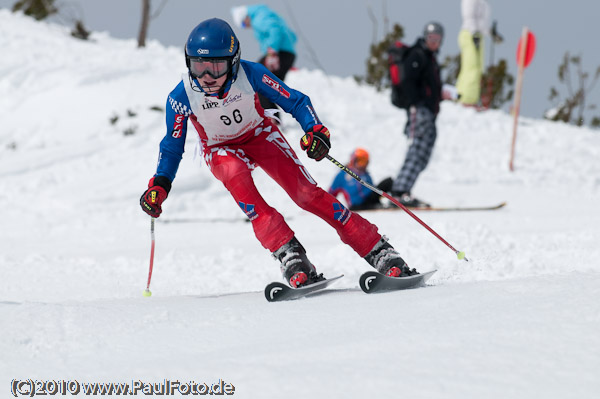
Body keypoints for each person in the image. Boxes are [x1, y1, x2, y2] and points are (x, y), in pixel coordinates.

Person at [139, 18, 418, 289]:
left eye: (215, 67)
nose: (206, 77)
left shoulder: (250, 74)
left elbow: (296, 101)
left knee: (306, 194)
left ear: (233, 62)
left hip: (259, 135)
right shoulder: (181, 97)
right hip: (219, 149)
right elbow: (172, 147)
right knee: (238, 179)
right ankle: (289, 253)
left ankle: (376, 247)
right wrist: (160, 185)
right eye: (198, 67)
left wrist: (315, 129)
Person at [390, 22, 452, 208]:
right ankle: (399, 191)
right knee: (417, 149)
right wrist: (418, 101)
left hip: (428, 111)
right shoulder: (418, 55)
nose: (434, 42)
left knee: (424, 151)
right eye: (431, 38)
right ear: (425, 37)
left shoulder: (429, 58)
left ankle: (403, 189)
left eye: (438, 40)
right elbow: (408, 82)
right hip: (420, 110)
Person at [231, 4, 297, 124]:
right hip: (287, 53)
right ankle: (273, 119)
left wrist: (272, 52)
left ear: (245, 17)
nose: (245, 27)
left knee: (258, 81)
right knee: (269, 86)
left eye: (243, 24)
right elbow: (292, 36)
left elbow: (275, 30)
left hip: (279, 52)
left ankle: (272, 120)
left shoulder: (258, 19)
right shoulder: (264, 14)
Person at [455, 0, 502, 107]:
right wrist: (474, 33)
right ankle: (466, 99)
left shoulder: (483, 2)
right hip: (470, 34)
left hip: (478, 36)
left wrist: (491, 33)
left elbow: (481, 23)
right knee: (472, 67)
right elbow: (469, 17)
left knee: (478, 68)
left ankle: (467, 97)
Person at [328, 148, 392, 211]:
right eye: (360, 161)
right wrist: (330, 208)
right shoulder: (343, 175)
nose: (362, 165)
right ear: (353, 160)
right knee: (387, 182)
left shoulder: (366, 175)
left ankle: (395, 199)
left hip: (370, 200)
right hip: (356, 205)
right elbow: (331, 192)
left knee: (388, 181)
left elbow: (373, 189)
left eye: (365, 162)